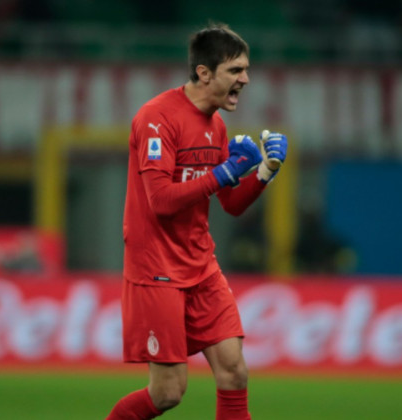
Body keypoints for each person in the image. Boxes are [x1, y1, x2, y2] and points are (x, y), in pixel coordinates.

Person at [106, 24, 288, 419]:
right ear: (205, 73)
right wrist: (223, 173)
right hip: (157, 270)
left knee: (234, 371)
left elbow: (231, 205)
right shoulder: (156, 118)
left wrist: (264, 173)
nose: (246, 79)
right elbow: (160, 202)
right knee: (168, 393)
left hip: (200, 265)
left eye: (246, 69)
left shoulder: (217, 126)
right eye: (236, 70)